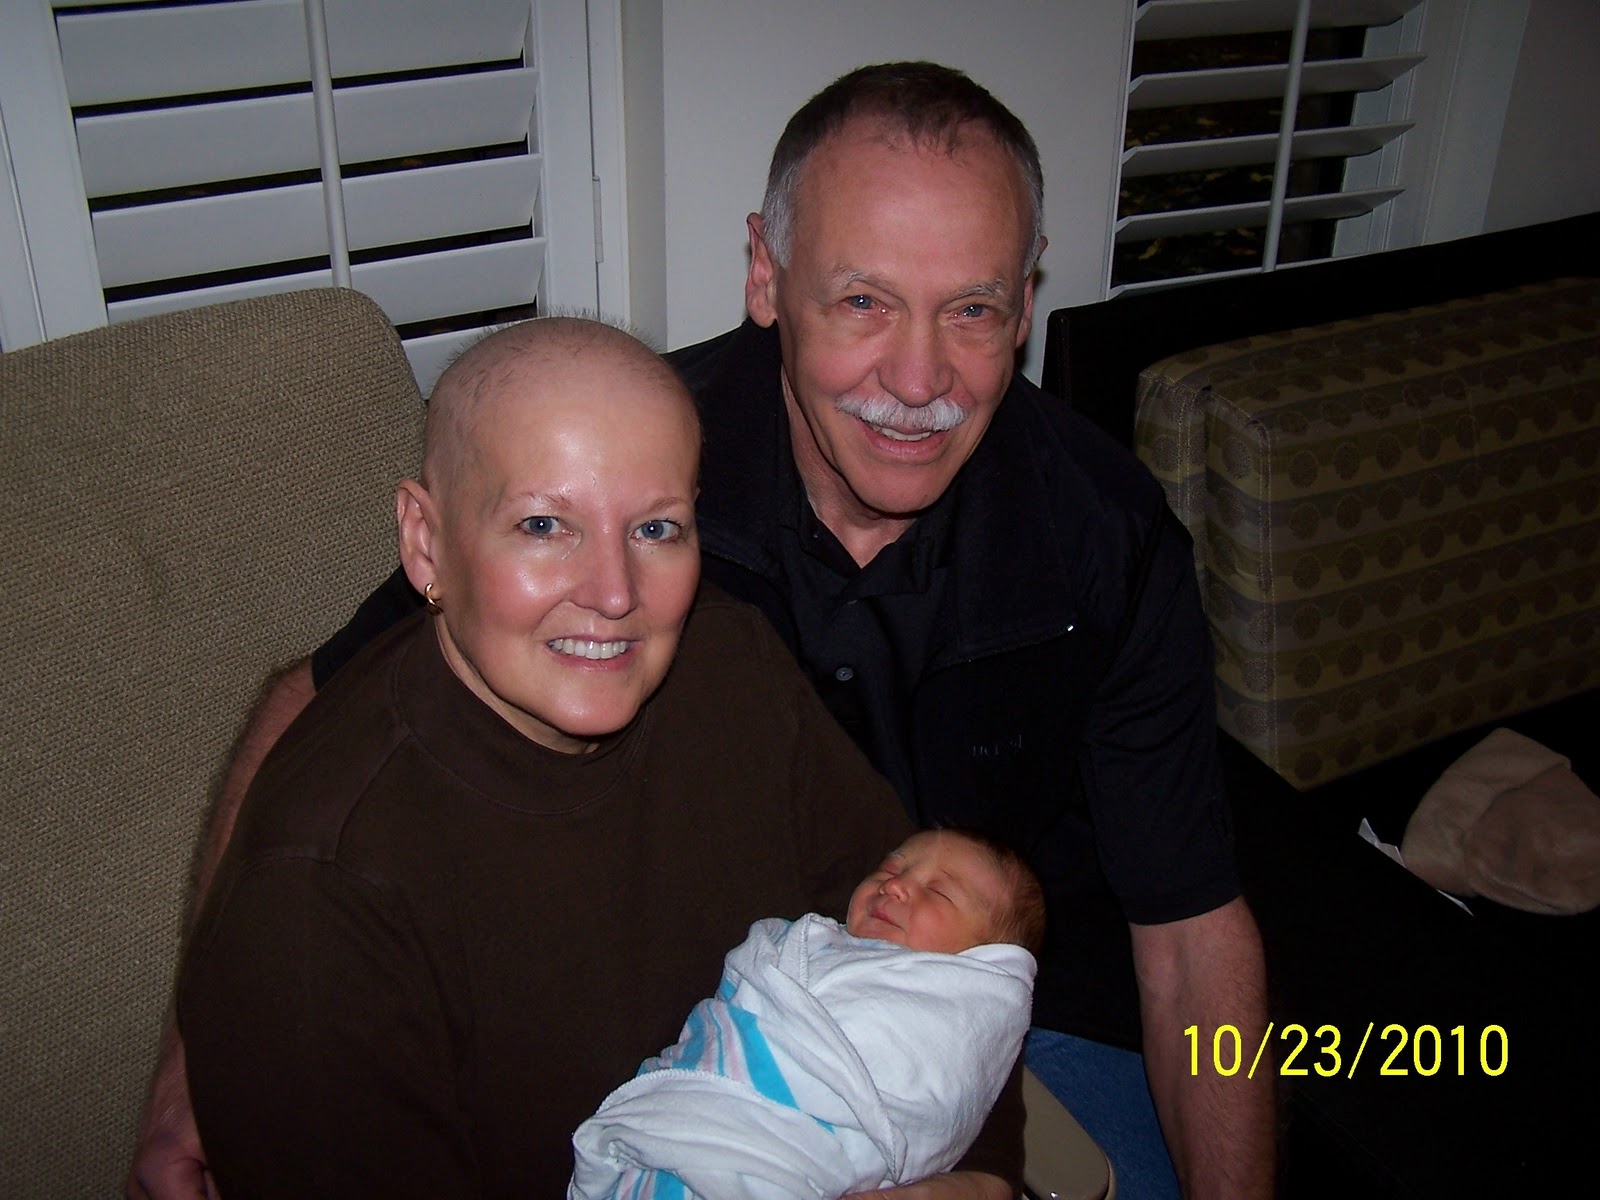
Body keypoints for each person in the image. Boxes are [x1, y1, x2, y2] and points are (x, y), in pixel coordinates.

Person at [129, 62, 1273, 1198]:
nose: (919, 378)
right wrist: (203, 1056)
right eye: (863, 302)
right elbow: (327, 702)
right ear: (765, 277)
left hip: (1017, 1033)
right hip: (729, 1057)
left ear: (1023, 303)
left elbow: (1191, 935)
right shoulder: (628, 469)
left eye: (971, 309)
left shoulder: (1100, 531)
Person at [172, 317, 1019, 1198]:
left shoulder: (731, 663)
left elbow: (952, 970)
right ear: (426, 542)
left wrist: (980, 1177)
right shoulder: (316, 895)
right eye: (544, 525)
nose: (615, 594)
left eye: (657, 529)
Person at [569, 829, 1044, 1199]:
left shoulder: (942, 1015)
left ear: (984, 967)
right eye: (889, 867)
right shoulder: (814, 945)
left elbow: (942, 1082)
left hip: (779, 1161)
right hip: (694, 1119)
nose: (895, 884)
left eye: (939, 892)